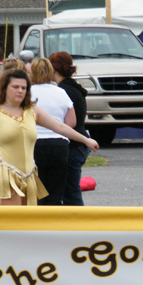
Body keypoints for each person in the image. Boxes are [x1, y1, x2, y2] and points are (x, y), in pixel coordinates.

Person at [0, 69, 98, 206]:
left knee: (28, 224)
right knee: (11, 224)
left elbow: (59, 127)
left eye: (24, 88)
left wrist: (85, 140)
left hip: (29, 175)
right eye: (15, 87)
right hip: (3, 174)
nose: (20, 91)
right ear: (5, 88)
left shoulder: (32, 110)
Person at [30, 58, 75, 206]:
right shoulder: (61, 92)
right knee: (55, 192)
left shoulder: (27, 93)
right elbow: (71, 122)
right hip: (59, 144)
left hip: (34, 144)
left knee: (36, 192)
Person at [50, 51, 89, 206]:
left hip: (73, 145)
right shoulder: (73, 88)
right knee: (70, 190)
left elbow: (69, 123)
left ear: (54, 69)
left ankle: (79, 225)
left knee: (70, 192)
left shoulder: (63, 91)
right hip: (79, 144)